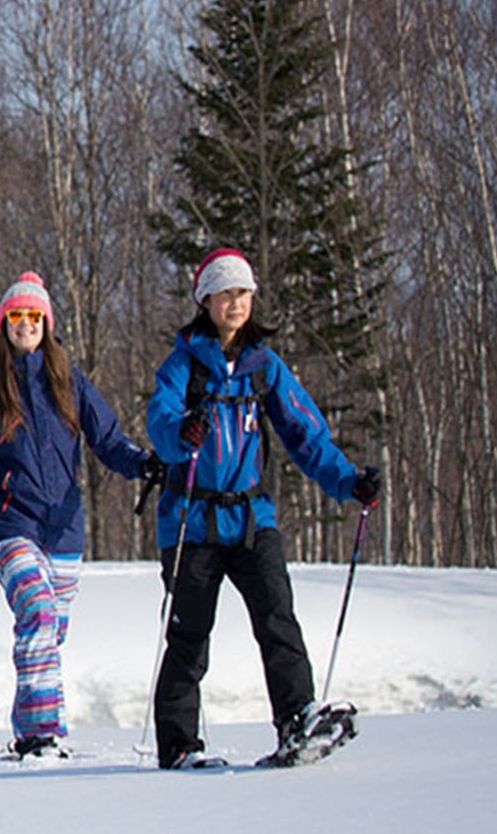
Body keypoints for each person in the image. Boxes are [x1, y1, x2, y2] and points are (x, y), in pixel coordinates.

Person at [144, 248, 383, 769]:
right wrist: (180, 434)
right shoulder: (182, 364)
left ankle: (297, 719)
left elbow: (307, 434)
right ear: (205, 299)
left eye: (244, 292)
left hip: (253, 521)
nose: (237, 302)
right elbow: (159, 422)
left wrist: (349, 483)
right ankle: (179, 744)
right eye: (227, 292)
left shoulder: (265, 367)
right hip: (192, 523)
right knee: (190, 636)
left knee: (277, 617)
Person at [0, 272, 162, 759]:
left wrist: (143, 463)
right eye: (16, 316)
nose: (25, 324)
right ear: (4, 326)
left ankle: (28, 727)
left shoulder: (71, 384)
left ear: (47, 323)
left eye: (33, 316)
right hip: (13, 525)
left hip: (64, 529)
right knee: (36, 614)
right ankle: (42, 733)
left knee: (48, 634)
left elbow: (109, 441)